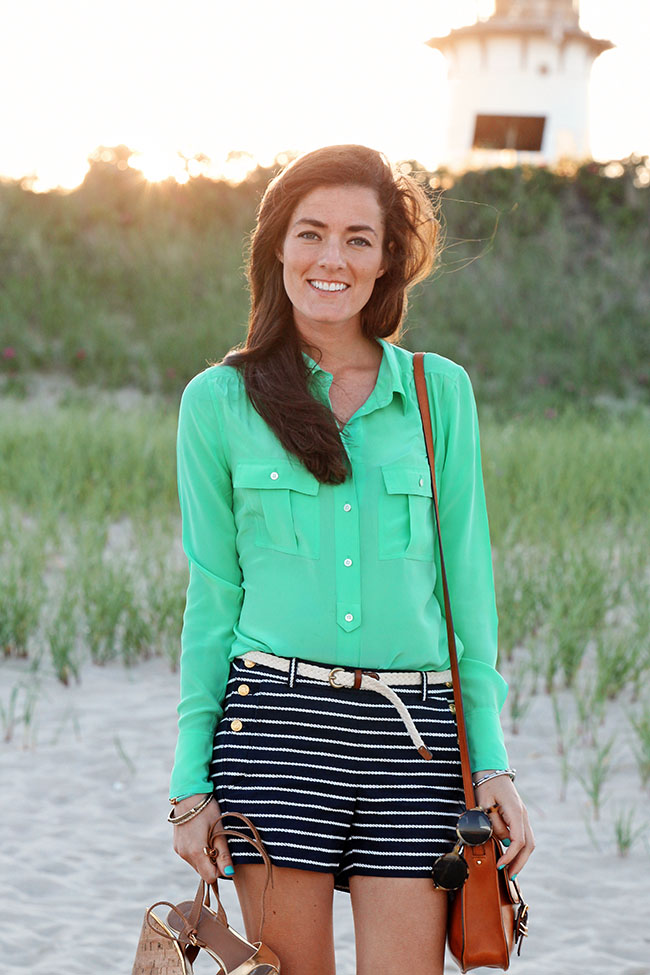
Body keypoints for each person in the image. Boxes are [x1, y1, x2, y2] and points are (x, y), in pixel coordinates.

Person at [167, 144, 534, 975]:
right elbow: (212, 599)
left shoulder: (440, 394)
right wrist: (190, 785)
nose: (331, 258)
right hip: (276, 728)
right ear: (277, 247)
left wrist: (492, 763)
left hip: (417, 740)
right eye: (311, 233)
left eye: (358, 239)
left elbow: (468, 595)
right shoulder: (217, 401)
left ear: (386, 260)